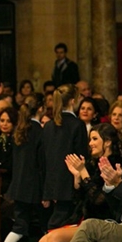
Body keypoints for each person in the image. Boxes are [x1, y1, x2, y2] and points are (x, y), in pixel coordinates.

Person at [39, 123, 122, 242]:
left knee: (52, 239)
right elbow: (82, 200)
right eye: (90, 139)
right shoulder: (94, 163)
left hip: (104, 224)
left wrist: (83, 172)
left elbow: (100, 201)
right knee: (44, 240)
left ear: (107, 142)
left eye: (95, 139)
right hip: (86, 221)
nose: (91, 143)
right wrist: (77, 178)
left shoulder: (116, 164)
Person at [0, 94, 45, 242]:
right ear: (40, 109)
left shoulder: (19, 130)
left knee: (20, 226)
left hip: (19, 186)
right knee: (47, 229)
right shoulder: (40, 132)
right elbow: (41, 163)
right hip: (36, 187)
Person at [42, 84, 88, 229]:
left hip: (52, 183)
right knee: (63, 226)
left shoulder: (49, 126)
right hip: (70, 183)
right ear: (73, 101)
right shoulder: (77, 125)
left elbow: (45, 158)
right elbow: (81, 156)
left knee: (56, 224)